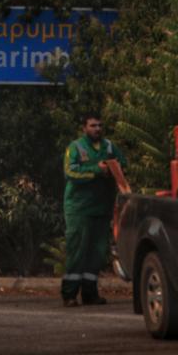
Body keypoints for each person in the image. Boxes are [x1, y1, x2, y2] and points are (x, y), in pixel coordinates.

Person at [61, 113, 124, 307]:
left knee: (97, 253)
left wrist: (113, 167)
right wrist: (97, 170)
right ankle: (69, 294)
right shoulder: (75, 147)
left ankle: (90, 294)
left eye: (99, 125)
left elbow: (123, 164)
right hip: (79, 209)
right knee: (77, 251)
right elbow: (70, 172)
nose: (97, 129)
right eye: (92, 125)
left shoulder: (109, 146)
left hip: (102, 208)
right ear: (84, 128)